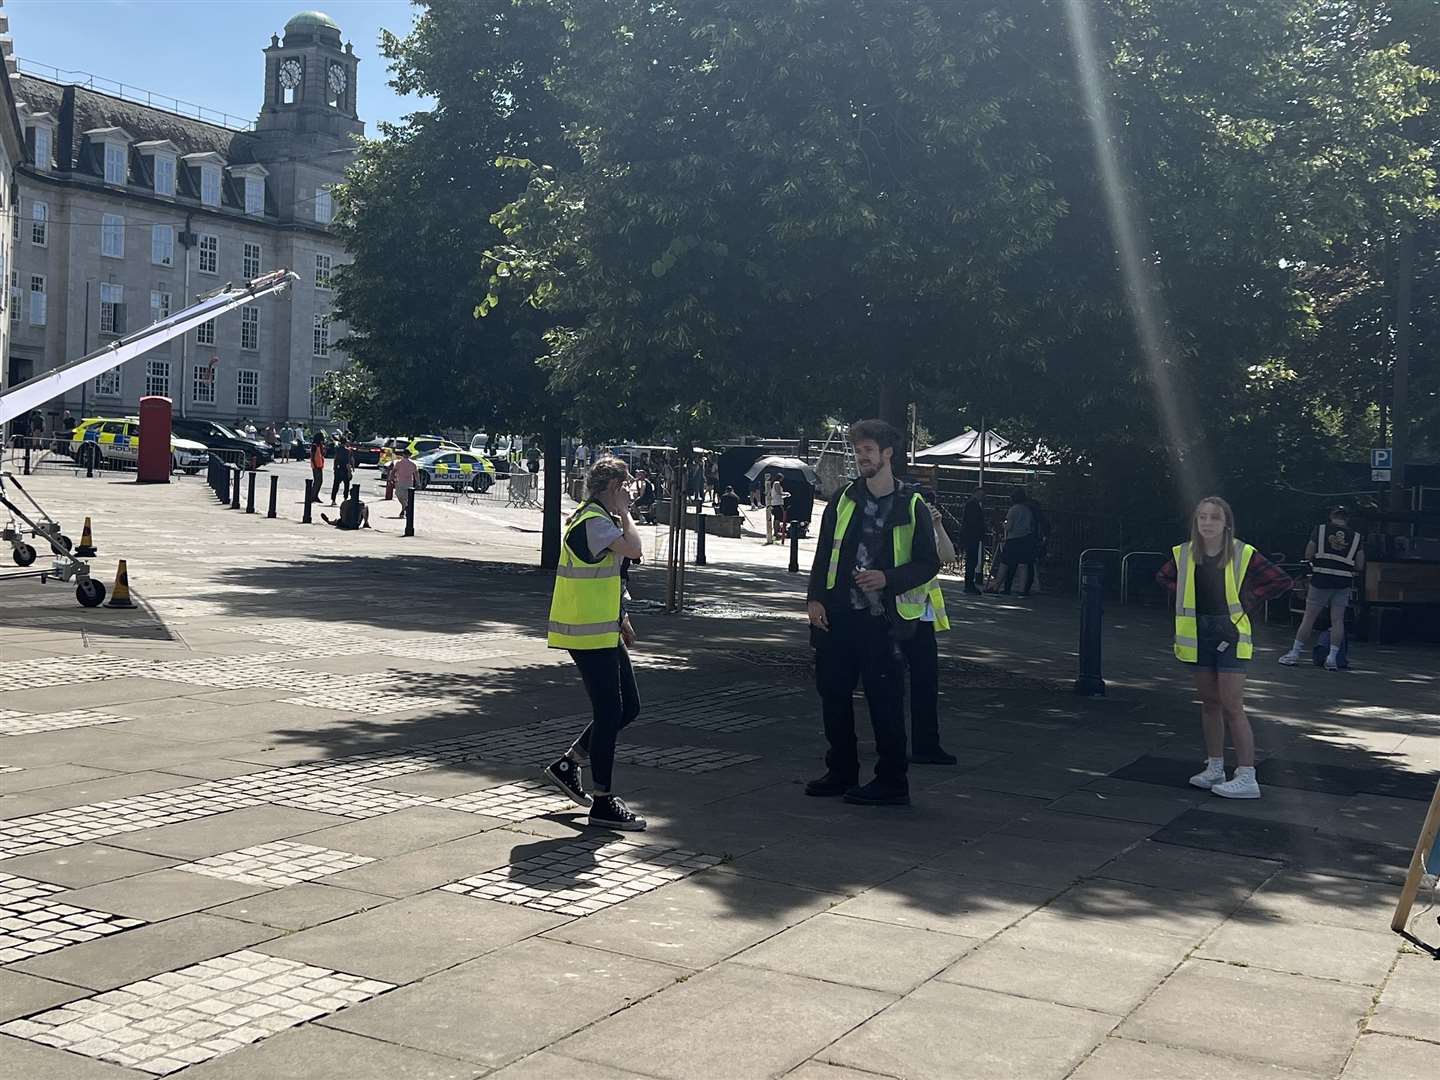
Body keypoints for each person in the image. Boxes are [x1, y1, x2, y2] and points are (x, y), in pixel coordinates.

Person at [806, 419, 942, 806]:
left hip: (883, 622)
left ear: (887, 454)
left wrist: (887, 577)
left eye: (868, 450)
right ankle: (841, 770)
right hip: (838, 616)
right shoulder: (844, 499)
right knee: (833, 695)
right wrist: (814, 598)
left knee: (885, 701)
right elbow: (824, 552)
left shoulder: (910, 503)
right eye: (858, 450)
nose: (861, 457)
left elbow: (927, 563)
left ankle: (892, 781)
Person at [1157, 497, 1292, 799]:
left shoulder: (1243, 553)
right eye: (1202, 517)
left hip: (1230, 634)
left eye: (1214, 518)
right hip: (1198, 632)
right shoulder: (1185, 553)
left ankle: (1246, 774)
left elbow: (1280, 581)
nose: (1207, 523)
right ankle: (1215, 766)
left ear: (1226, 523)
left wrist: (1249, 598)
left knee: (1232, 704)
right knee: (1209, 702)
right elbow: (1164, 576)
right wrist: (1184, 595)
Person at [542, 456, 648, 830]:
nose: (632, 494)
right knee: (609, 712)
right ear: (615, 487)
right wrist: (625, 514)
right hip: (587, 632)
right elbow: (634, 549)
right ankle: (603, 801)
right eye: (628, 487)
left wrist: (621, 618)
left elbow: (608, 575)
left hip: (602, 629)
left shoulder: (599, 520)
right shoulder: (595, 522)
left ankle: (569, 764)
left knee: (628, 708)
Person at [904, 490, 957, 765]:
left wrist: (937, 525)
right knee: (889, 685)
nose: (928, 508)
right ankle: (891, 741)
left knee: (926, 684)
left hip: (922, 618)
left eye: (930, 504)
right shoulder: (902, 527)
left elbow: (948, 556)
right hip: (896, 616)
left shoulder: (929, 527)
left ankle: (927, 743)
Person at [1278, 505, 1364, 671]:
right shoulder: (1356, 537)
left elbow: (1308, 553)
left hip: (1321, 579)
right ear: (1347, 519)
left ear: (1331, 516)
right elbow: (1360, 564)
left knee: (1309, 617)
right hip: (1343, 582)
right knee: (1337, 620)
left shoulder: (1321, 530)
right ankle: (1332, 658)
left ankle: (1295, 654)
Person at [998, 487, 1038, 596]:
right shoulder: (1027, 510)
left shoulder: (1013, 510)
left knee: (1005, 563)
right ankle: (1022, 590)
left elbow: (1009, 526)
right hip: (1025, 538)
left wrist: (1004, 525)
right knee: (1023, 565)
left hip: (1013, 539)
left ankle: (996, 586)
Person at [960, 486, 986, 594]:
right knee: (971, 561)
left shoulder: (972, 504)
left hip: (971, 537)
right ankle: (969, 584)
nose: (982, 497)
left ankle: (970, 584)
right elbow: (972, 522)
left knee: (972, 561)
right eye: (981, 495)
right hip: (971, 537)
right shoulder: (972, 505)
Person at [390, 448, 418, 518]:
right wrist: (418, 482)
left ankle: (404, 509)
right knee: (405, 498)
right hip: (409, 483)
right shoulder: (413, 464)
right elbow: (416, 474)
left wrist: (391, 479)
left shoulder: (399, 463)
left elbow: (393, 471)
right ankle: (405, 508)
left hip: (400, 482)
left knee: (399, 495)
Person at [329, 435, 354, 506]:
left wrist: (334, 467)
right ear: (345, 442)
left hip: (338, 469)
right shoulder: (347, 451)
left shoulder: (337, 449)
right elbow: (347, 462)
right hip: (344, 469)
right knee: (346, 485)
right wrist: (350, 472)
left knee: (336, 485)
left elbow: (335, 458)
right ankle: (345, 499)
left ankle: (333, 500)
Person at [765, 475, 788, 544]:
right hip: (777, 503)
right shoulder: (777, 483)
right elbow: (779, 492)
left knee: (777, 518)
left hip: (777, 502)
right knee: (777, 518)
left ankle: (776, 531)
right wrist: (786, 494)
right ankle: (775, 532)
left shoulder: (775, 483)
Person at [308, 433, 326, 502]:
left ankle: (315, 495)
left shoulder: (320, 446)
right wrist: (315, 465)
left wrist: (323, 448)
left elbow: (322, 454)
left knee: (320, 481)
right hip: (316, 466)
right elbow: (312, 456)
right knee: (316, 482)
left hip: (320, 465)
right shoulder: (314, 446)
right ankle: (312, 496)